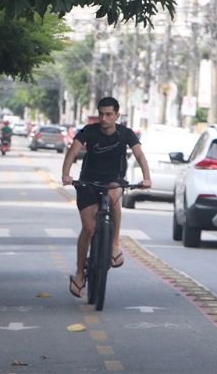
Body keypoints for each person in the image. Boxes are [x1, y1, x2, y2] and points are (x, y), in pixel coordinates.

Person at [61, 96, 151, 298]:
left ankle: (114, 243)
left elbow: (140, 155)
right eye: (101, 114)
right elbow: (72, 151)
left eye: (109, 114)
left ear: (117, 115)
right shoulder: (88, 131)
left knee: (113, 195)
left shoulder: (125, 133)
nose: (104, 118)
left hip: (113, 178)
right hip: (88, 181)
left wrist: (147, 178)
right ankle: (79, 273)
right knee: (89, 227)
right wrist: (66, 174)